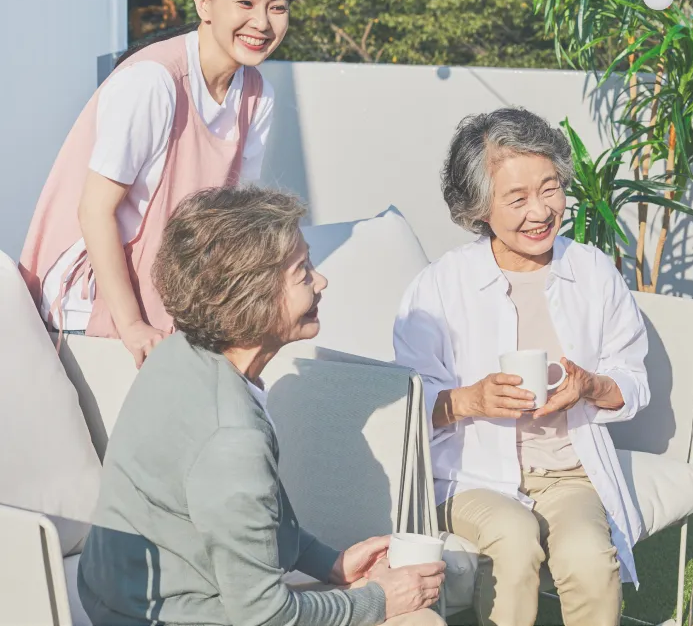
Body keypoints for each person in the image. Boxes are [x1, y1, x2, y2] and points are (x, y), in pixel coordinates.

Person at [77, 186, 446, 626]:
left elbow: (247, 514)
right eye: (303, 271)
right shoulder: (232, 439)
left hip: (119, 597)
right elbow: (267, 617)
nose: (321, 281)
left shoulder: (179, 354)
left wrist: (330, 563)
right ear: (249, 296)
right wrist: (382, 600)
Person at [393, 108, 650, 626]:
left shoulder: (593, 272)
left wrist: (591, 386)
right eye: (517, 198)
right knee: (514, 538)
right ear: (478, 208)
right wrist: (470, 400)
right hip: (469, 476)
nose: (540, 211)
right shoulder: (440, 287)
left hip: (568, 473)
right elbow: (401, 409)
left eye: (549, 189)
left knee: (589, 561)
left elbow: (634, 383)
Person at [19, 0, 295, 367]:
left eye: (276, 7)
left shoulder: (257, 94)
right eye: (245, 3)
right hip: (91, 303)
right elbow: (94, 211)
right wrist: (133, 326)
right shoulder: (154, 82)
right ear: (204, 4)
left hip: (167, 291)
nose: (262, 22)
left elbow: (233, 218)